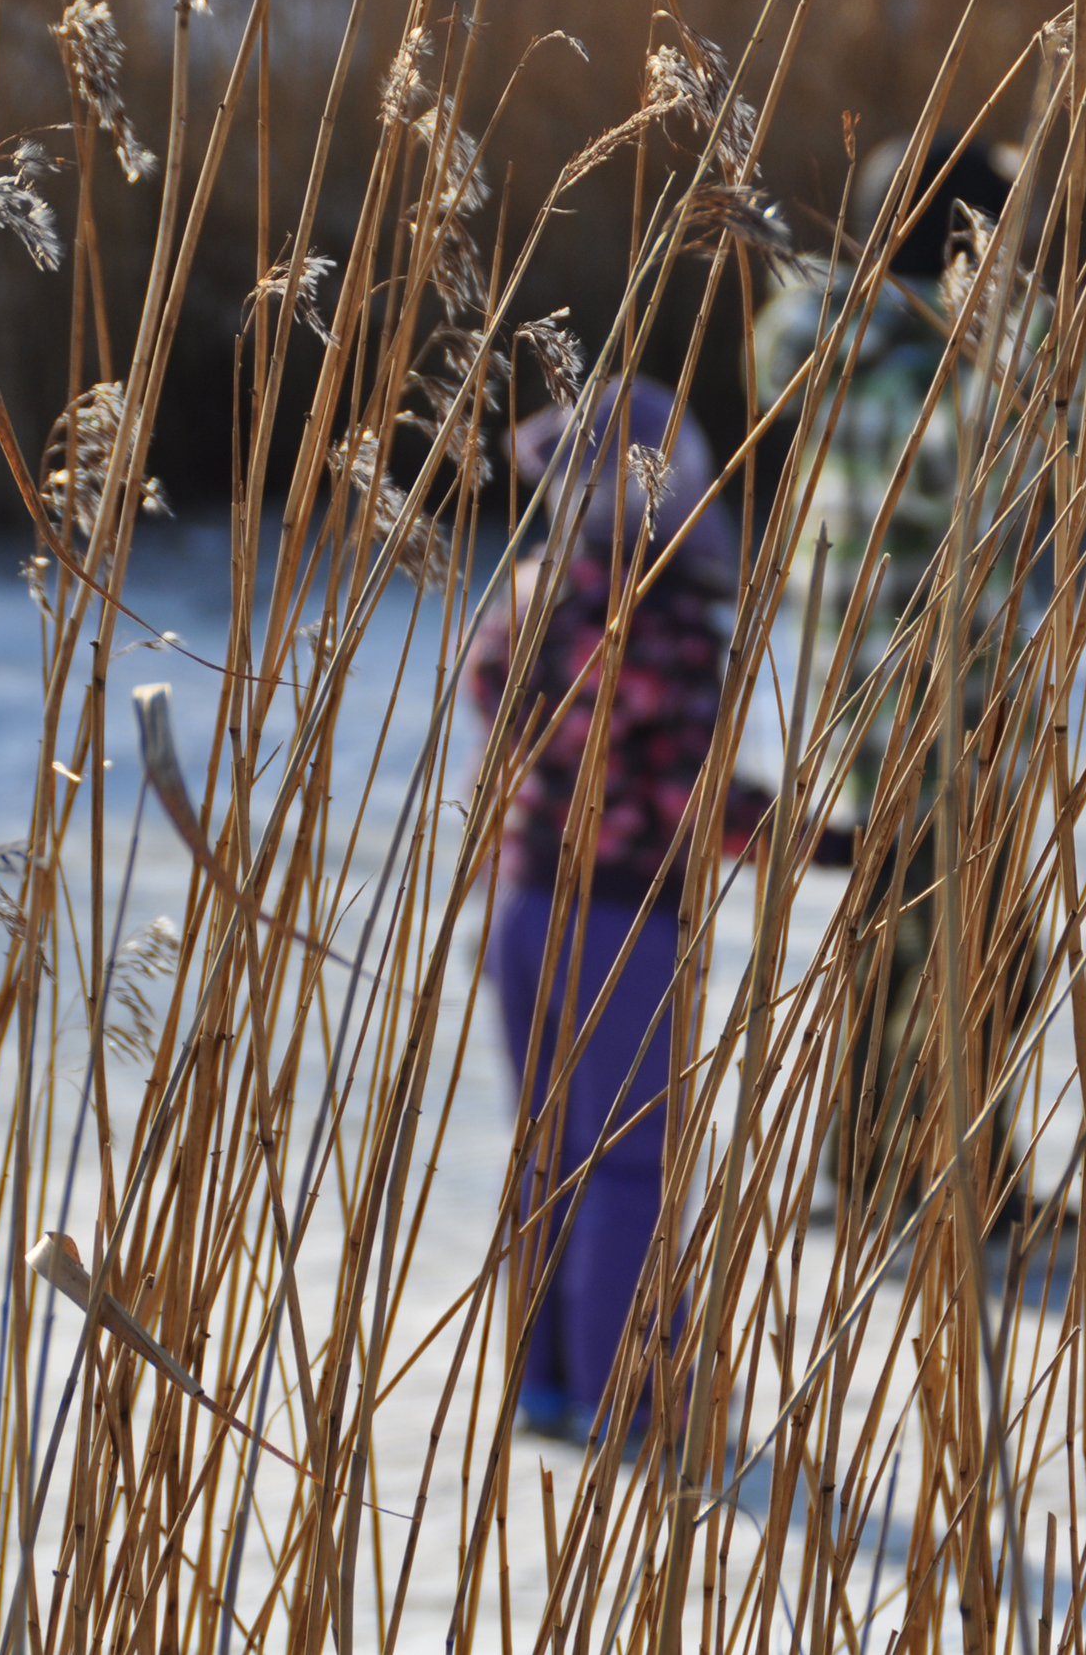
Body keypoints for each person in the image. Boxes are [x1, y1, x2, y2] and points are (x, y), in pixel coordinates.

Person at [752, 136, 1049, 1235]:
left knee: (980, 936)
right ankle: (901, 1172)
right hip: (910, 704)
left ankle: (968, 1163)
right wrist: (1063, 419)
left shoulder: (896, 344)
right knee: (938, 937)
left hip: (946, 693)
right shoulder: (892, 358)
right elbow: (950, 469)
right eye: (1002, 233)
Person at [469, 375, 770, 1443]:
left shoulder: (530, 603)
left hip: (526, 908)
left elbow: (519, 743)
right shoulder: (672, 622)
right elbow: (690, 797)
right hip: (625, 922)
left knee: (546, 1151)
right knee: (627, 1160)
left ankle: (544, 1381)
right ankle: (630, 1393)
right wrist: (820, 840)